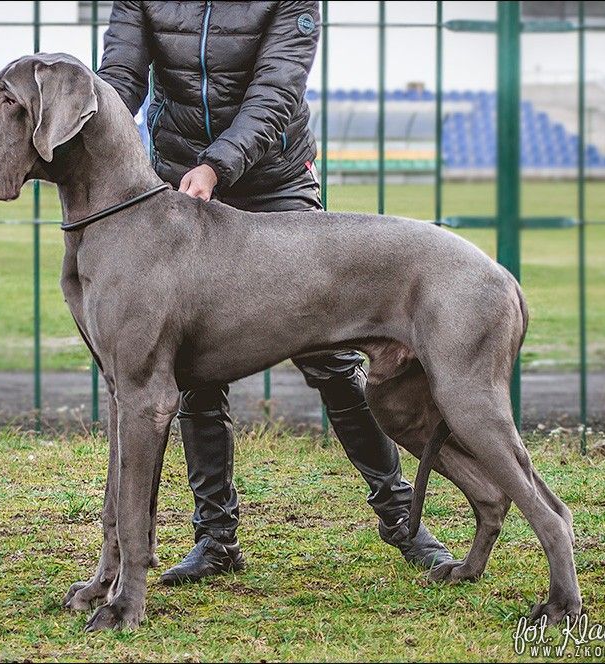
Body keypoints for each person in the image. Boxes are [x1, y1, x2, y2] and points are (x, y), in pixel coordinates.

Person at [98, 1, 453, 585]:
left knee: (330, 356)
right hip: (177, 182)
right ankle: (215, 538)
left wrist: (216, 166)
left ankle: (401, 519)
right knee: (189, 363)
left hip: (273, 180)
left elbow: (275, 92)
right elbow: (118, 81)